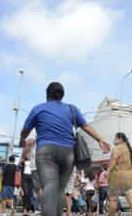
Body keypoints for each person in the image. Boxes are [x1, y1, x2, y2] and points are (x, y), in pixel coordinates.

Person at [18, 82, 110, 216]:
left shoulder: (38, 108)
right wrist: (100, 139)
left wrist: (22, 140)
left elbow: (26, 130)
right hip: (68, 153)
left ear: (47, 94)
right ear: (62, 95)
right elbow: (85, 126)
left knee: (49, 184)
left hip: (46, 152)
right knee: (61, 188)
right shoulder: (71, 109)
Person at [106, 132, 132, 216]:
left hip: (117, 179)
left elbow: (114, 158)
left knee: (113, 199)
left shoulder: (117, 148)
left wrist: (108, 170)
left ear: (120, 139)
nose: (114, 140)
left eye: (115, 138)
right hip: (131, 179)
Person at [19, 151, 33, 216]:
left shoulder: (33, 161)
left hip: (31, 178)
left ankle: (28, 210)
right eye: (27, 154)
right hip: (24, 178)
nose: (28, 155)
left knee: (29, 194)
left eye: (29, 153)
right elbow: (18, 168)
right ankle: (25, 209)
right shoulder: (23, 161)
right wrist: (20, 162)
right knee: (26, 193)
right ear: (25, 155)